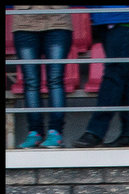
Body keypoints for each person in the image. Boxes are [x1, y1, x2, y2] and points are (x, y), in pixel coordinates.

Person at [73, 5, 129, 147]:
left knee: (113, 72)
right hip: (104, 16)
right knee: (124, 73)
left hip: (127, 15)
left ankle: (96, 131)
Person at [11, 5, 74, 149]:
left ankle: (56, 132)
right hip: (24, 23)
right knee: (31, 82)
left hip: (58, 21)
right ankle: (35, 133)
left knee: (56, 79)